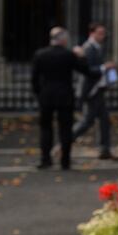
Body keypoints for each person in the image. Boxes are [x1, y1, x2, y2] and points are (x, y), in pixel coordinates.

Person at [31, 27, 97, 170]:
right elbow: (86, 71)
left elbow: (34, 79)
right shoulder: (69, 55)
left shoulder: (40, 54)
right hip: (65, 96)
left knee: (45, 128)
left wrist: (39, 94)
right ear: (63, 40)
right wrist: (82, 56)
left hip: (46, 96)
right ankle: (65, 161)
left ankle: (45, 159)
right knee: (65, 129)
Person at [72, 22, 118, 160]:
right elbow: (89, 71)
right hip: (91, 91)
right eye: (100, 33)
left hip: (97, 90)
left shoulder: (96, 48)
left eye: (103, 33)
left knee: (104, 120)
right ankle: (66, 141)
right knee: (87, 121)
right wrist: (105, 67)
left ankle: (105, 149)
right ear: (92, 33)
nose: (103, 36)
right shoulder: (89, 48)